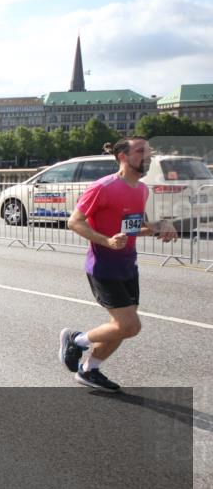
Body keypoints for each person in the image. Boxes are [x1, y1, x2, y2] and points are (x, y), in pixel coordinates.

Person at [60, 137, 177, 392]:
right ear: (123, 156)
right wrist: (106, 241)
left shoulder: (142, 190)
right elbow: (75, 222)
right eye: (141, 151)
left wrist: (160, 227)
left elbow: (134, 228)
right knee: (130, 326)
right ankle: (76, 340)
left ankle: (89, 370)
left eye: (149, 152)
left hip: (128, 266)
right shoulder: (103, 187)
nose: (147, 156)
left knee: (122, 327)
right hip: (103, 266)